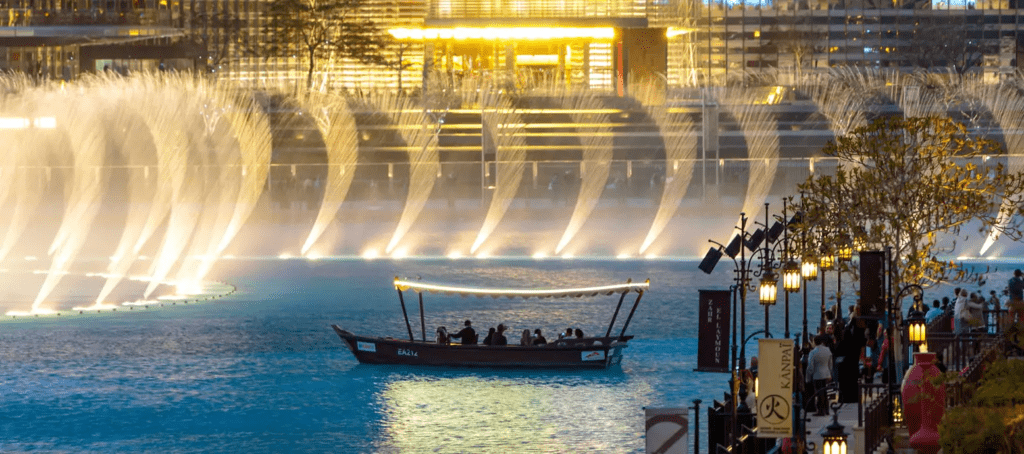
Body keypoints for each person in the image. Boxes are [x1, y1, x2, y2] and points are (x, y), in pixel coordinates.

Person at [806, 334, 833, 416]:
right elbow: (830, 363)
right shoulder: (827, 350)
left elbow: (810, 366)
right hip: (826, 373)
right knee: (825, 392)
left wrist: (808, 376)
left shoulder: (813, 352)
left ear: (814, 342)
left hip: (817, 374)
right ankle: (827, 409)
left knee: (819, 392)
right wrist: (830, 373)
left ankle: (820, 410)